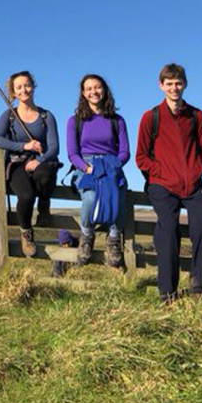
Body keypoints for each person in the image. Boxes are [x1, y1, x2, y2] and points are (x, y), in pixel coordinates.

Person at [136, 64, 202, 302]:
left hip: (193, 183)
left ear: (185, 84)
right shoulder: (151, 117)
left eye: (178, 83)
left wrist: (194, 171)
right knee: (168, 229)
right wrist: (160, 172)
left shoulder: (196, 115)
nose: (174, 87)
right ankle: (167, 292)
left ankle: (199, 286)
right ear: (161, 86)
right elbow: (141, 156)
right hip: (162, 184)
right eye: (169, 83)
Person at [0, 71, 60, 258]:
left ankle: (44, 204)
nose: (24, 90)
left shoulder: (47, 116)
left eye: (27, 85)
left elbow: (54, 147)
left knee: (45, 175)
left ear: (33, 86)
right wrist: (24, 145)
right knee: (26, 197)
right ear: (13, 92)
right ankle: (26, 233)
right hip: (17, 164)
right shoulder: (9, 115)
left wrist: (40, 160)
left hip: (42, 162)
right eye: (19, 87)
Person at [66, 74, 130, 268]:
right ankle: (86, 236)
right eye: (89, 88)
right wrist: (88, 168)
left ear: (104, 90)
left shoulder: (117, 120)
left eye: (97, 87)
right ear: (84, 94)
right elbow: (72, 153)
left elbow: (125, 151)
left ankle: (113, 240)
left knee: (117, 195)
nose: (94, 91)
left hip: (111, 165)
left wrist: (113, 166)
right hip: (86, 165)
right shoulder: (75, 121)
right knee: (91, 197)